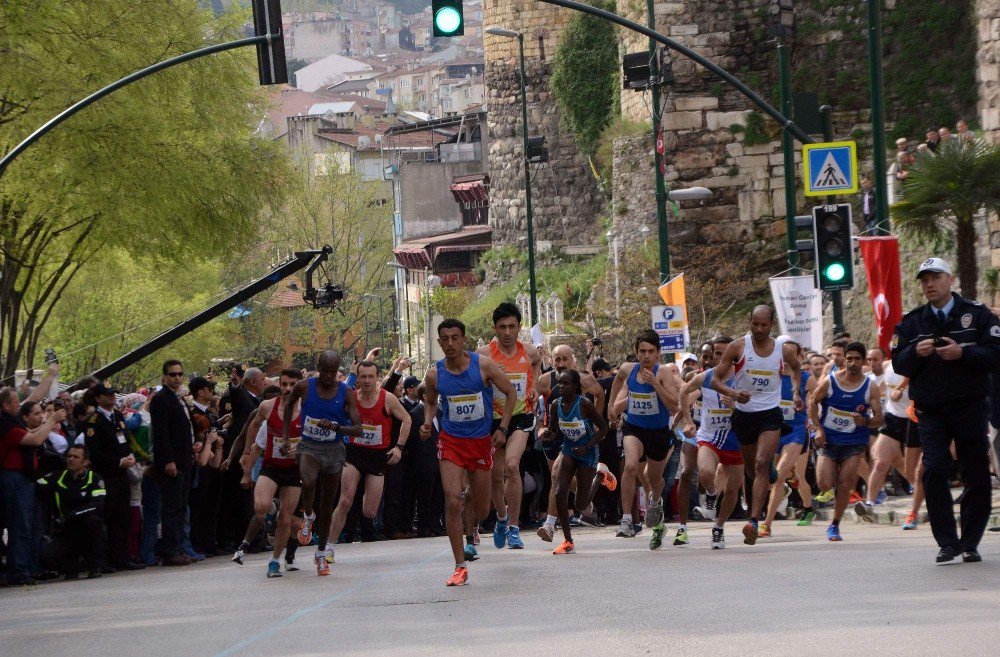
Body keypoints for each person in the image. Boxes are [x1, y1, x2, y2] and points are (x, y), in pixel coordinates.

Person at [891, 257, 1000, 564]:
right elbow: (898, 361)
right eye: (924, 279)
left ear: (951, 280)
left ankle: (970, 541)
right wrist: (915, 352)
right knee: (934, 470)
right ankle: (947, 542)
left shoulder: (977, 315)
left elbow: (995, 354)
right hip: (932, 410)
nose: (929, 284)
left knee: (976, 474)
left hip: (970, 406)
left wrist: (962, 353)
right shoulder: (913, 322)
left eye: (935, 278)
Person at [420, 318, 516, 587]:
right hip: (450, 442)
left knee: (482, 508)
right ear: (439, 342)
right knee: (452, 500)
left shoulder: (482, 365)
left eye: (455, 338)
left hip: (480, 442)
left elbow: (510, 392)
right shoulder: (435, 375)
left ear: (463, 339)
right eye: (445, 339)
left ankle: (480, 523)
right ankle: (459, 565)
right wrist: (428, 422)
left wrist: (504, 429)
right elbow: (429, 401)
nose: (450, 343)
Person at [710, 306, 802, 545]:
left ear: (772, 324)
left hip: (770, 414)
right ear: (749, 321)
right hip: (744, 415)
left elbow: (797, 367)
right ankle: (770, 473)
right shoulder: (738, 347)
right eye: (755, 324)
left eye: (764, 325)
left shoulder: (782, 350)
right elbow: (716, 380)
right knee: (752, 470)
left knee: (761, 464)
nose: (759, 329)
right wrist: (733, 392)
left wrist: (795, 391)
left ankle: (753, 521)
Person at [283, 351, 363, 576]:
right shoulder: (304, 386)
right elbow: (289, 406)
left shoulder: (346, 392)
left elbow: (358, 428)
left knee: (327, 505)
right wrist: (287, 436)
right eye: (325, 371)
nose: (329, 376)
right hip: (310, 447)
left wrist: (337, 427)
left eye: (333, 372)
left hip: (334, 450)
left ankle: (320, 554)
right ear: (318, 367)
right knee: (307, 482)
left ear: (338, 370)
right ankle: (308, 514)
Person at [327, 361, 411, 562]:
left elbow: (407, 419)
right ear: (358, 378)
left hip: (377, 457)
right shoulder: (351, 399)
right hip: (354, 454)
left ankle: (366, 492)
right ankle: (327, 546)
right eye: (362, 376)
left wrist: (398, 447)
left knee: (370, 511)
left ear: (377, 377)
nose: (366, 381)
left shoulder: (387, 399)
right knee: (346, 500)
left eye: (370, 377)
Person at [476, 302, 541, 551]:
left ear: (519, 327)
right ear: (494, 328)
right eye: (501, 327)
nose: (506, 332)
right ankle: (501, 519)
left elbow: (536, 362)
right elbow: (473, 377)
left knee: (512, 466)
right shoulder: (484, 354)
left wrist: (533, 386)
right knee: (495, 475)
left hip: (521, 417)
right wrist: (490, 374)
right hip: (493, 420)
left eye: (511, 326)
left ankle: (514, 528)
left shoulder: (529, 351)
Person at [607, 329, 680, 549]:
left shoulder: (663, 373)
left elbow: (674, 405)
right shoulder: (629, 370)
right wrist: (612, 406)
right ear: (636, 352)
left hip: (658, 432)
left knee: (654, 480)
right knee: (630, 466)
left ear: (658, 353)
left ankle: (655, 503)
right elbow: (617, 380)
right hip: (634, 429)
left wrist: (655, 385)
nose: (646, 356)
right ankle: (627, 520)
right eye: (642, 351)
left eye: (650, 351)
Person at [534, 344, 609, 541]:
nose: (560, 363)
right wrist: (541, 427)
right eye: (557, 359)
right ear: (551, 360)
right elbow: (534, 404)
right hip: (554, 433)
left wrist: (594, 421)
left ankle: (549, 525)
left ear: (572, 360)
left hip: (576, 437)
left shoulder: (583, 379)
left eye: (565, 359)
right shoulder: (544, 380)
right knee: (559, 480)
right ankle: (592, 487)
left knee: (556, 474)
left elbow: (600, 394)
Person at [809, 341, 883, 541]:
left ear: (863, 361)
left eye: (856, 359)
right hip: (829, 440)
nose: (852, 363)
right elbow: (812, 402)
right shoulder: (830, 381)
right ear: (844, 360)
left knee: (845, 484)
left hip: (854, 441)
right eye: (849, 358)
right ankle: (834, 496)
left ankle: (835, 525)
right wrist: (818, 429)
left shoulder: (870, 387)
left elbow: (879, 418)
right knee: (824, 484)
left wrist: (866, 421)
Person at [240, 368, 303, 578]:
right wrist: (248, 452)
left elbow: (317, 437)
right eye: (284, 384)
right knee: (261, 506)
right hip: (272, 467)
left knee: (286, 519)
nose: (287, 389)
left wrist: (301, 446)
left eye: (292, 385)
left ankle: (275, 561)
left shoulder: (308, 410)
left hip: (294, 470)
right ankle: (270, 514)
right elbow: (253, 425)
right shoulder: (267, 406)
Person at [678, 352, 744, 549]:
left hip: (735, 438)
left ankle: (719, 526)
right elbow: (683, 392)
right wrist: (688, 421)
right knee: (705, 473)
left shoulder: (743, 377)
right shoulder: (705, 377)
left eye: (727, 354)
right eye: (717, 354)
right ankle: (712, 494)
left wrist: (737, 404)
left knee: (732, 489)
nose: (722, 358)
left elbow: (759, 403)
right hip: (709, 436)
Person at [1, 391, 66, 585]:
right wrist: (52, 419)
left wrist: (51, 374)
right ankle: (19, 571)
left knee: (26, 526)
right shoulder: (6, 425)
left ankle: (25, 567)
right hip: (14, 478)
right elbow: (35, 440)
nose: (19, 406)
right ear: (6, 406)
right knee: (20, 526)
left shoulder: (13, 423)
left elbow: (36, 397)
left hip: (23, 479)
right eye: (15, 403)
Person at [83, 383, 144, 571]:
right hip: (107, 475)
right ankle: (107, 559)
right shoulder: (94, 420)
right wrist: (118, 462)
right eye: (107, 394)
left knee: (122, 517)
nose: (111, 397)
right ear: (98, 398)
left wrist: (131, 456)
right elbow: (95, 452)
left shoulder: (117, 416)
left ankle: (122, 557)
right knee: (108, 516)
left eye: (112, 394)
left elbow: (124, 442)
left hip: (122, 475)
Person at [760, 340, 814, 537]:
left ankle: (766, 523)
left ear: (798, 357)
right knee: (768, 477)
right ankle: (792, 477)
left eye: (792, 353)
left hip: (796, 431)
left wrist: (812, 418)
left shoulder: (806, 378)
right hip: (772, 430)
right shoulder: (769, 375)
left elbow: (818, 399)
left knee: (779, 477)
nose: (787, 357)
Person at [149, 360, 197, 567]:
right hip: (172, 463)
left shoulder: (179, 398)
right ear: (164, 377)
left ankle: (178, 547)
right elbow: (161, 433)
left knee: (180, 507)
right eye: (173, 374)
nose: (177, 377)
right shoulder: (161, 399)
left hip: (185, 460)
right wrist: (168, 460)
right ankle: (169, 550)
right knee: (171, 508)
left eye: (180, 374)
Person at [36, 445, 107, 579]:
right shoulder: (58, 476)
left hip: (85, 526)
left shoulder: (95, 478)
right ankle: (71, 566)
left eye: (75, 457)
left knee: (94, 522)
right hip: (65, 529)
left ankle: (95, 565)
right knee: (47, 555)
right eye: (69, 456)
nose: (70, 459)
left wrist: (71, 516)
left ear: (85, 462)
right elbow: (37, 484)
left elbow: (98, 506)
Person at [673, 340, 719, 546]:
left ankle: (711, 496)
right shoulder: (694, 376)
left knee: (705, 476)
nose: (708, 360)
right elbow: (685, 397)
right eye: (705, 356)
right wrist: (684, 419)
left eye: (712, 356)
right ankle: (682, 528)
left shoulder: (730, 377)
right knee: (685, 472)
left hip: (717, 431)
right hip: (695, 430)